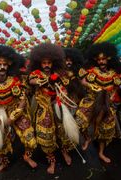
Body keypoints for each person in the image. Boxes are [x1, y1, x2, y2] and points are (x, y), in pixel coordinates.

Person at [0, 45, 37, 173]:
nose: (2, 67)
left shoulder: (14, 81)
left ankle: (27, 156)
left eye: (5, 64)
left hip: (15, 111)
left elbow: (22, 100)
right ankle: (4, 162)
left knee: (30, 139)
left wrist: (13, 117)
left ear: (9, 65)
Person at [75, 42, 121, 163]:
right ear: (95, 59)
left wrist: (113, 94)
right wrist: (92, 86)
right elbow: (81, 79)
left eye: (104, 59)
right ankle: (88, 138)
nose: (101, 62)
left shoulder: (116, 71)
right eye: (99, 59)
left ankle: (101, 153)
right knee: (79, 121)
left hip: (106, 104)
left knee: (106, 129)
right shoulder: (90, 70)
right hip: (90, 101)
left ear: (109, 58)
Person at [29, 43, 79, 174]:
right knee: (46, 134)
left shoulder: (60, 74)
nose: (46, 65)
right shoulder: (36, 73)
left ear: (53, 63)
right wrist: (46, 81)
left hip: (58, 104)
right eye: (44, 62)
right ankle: (52, 160)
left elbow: (65, 88)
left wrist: (63, 92)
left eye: (49, 63)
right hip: (43, 106)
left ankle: (64, 151)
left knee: (63, 130)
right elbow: (32, 81)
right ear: (40, 63)